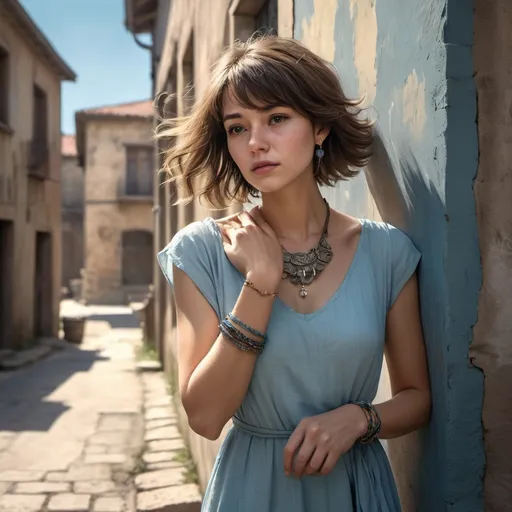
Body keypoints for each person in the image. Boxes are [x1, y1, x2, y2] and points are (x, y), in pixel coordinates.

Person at [156, 34, 431, 512]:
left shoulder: (387, 251)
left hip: (356, 490)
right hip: (251, 492)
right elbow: (204, 416)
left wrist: (358, 420)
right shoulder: (200, 251)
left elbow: (417, 397)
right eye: (237, 128)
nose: (256, 142)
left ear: (320, 127)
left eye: (277, 119)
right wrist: (260, 284)